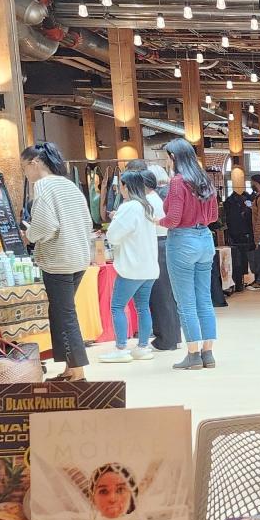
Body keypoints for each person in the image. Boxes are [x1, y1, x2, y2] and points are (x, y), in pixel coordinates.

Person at [20, 141, 94, 380]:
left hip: (58, 260)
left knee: (64, 314)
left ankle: (78, 371)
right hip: (79, 257)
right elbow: (87, 222)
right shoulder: (69, 185)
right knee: (60, 312)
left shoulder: (43, 186)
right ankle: (69, 368)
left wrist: (29, 235)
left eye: (24, 168)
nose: (26, 174)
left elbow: (46, 224)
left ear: (35, 163)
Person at [160, 137, 218, 370]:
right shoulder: (204, 181)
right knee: (204, 299)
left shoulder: (177, 182)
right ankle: (208, 354)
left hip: (182, 241)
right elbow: (213, 216)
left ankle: (193, 355)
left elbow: (173, 219)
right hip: (205, 240)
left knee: (185, 302)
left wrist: (157, 220)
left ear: (173, 157)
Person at [100, 166, 163, 364]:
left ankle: (121, 348)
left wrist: (114, 223)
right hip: (149, 267)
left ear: (127, 187)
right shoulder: (146, 206)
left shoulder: (129, 207)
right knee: (143, 307)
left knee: (117, 306)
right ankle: (142, 346)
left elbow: (113, 235)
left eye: (121, 186)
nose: (119, 189)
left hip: (132, 267)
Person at [142, 164, 181, 351]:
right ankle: (173, 335)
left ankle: (166, 339)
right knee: (167, 294)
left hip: (158, 245)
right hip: (164, 244)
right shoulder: (155, 198)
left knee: (160, 295)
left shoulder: (148, 202)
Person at [223, 185, 254, 293]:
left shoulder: (229, 204)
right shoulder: (242, 206)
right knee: (241, 258)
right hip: (243, 235)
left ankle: (237, 283)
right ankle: (240, 283)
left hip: (233, 235)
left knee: (236, 259)